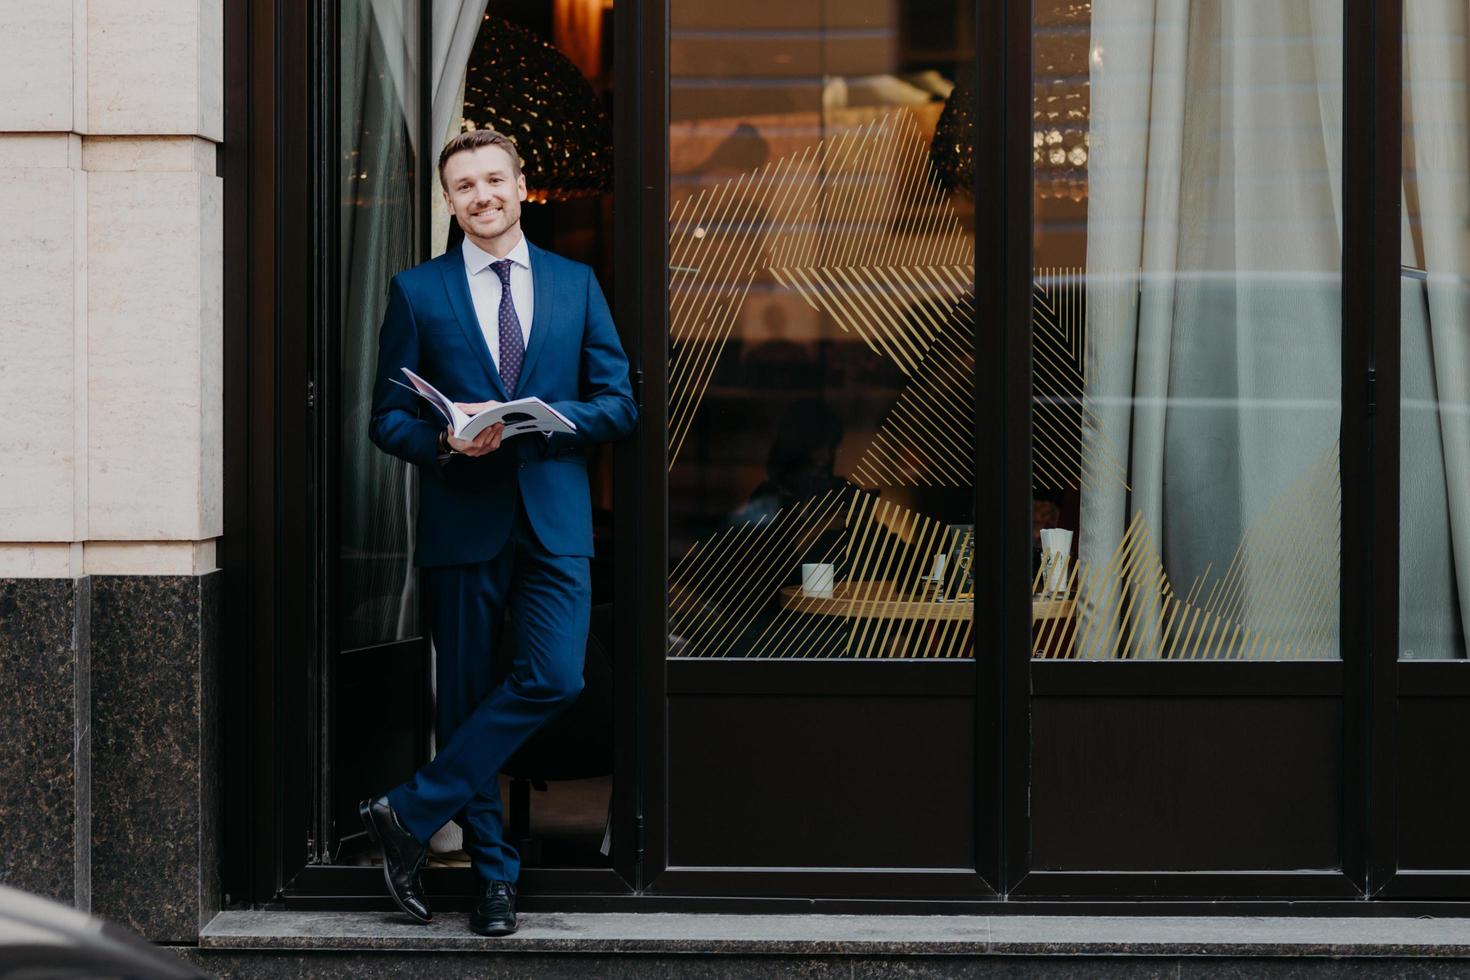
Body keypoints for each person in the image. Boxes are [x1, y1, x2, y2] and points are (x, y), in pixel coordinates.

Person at [358, 129, 636, 937]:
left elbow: (619, 402)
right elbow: (385, 419)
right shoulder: (418, 291)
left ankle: (407, 811)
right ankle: (494, 882)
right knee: (471, 697)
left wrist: (550, 422)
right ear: (449, 202)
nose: (482, 196)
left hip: (556, 518)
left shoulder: (577, 284)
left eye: (494, 180)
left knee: (556, 677)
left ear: (521, 186)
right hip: (463, 519)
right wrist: (444, 439)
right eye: (464, 187)